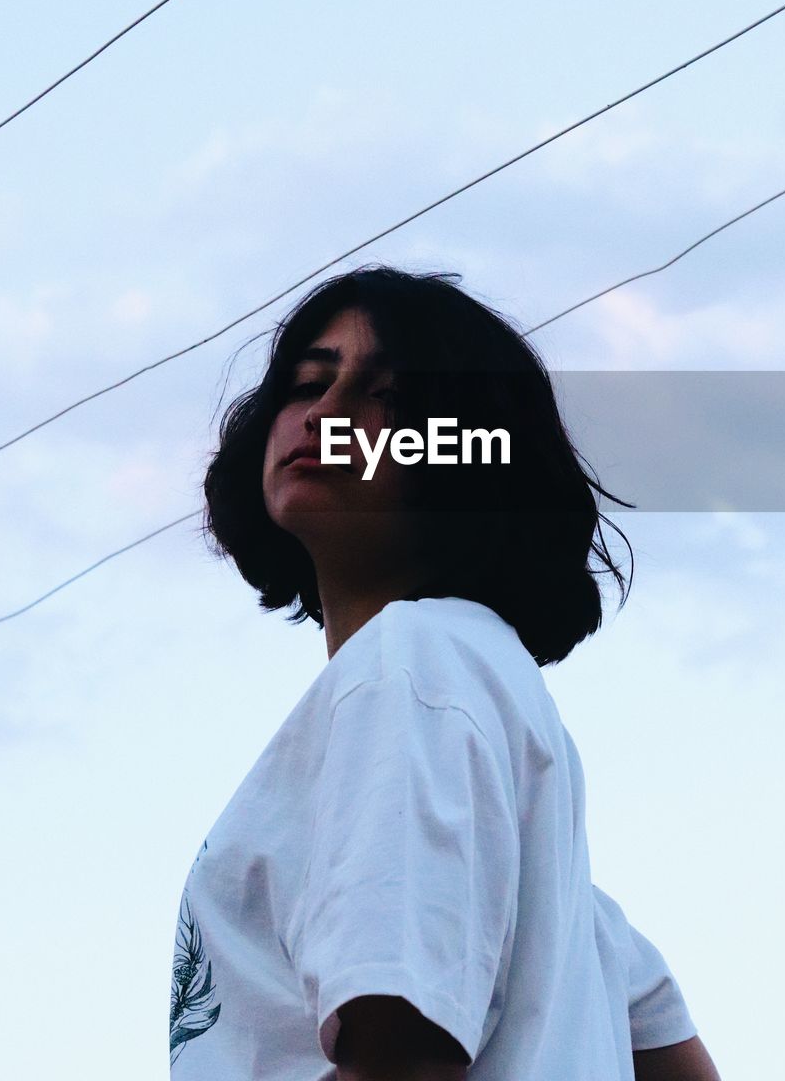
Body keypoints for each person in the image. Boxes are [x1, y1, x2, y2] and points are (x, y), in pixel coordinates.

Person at [169, 264, 722, 1080]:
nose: (325, 413)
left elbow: (402, 1059)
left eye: (385, 397)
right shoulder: (516, 774)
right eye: (306, 383)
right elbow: (668, 1049)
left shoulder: (410, 672)